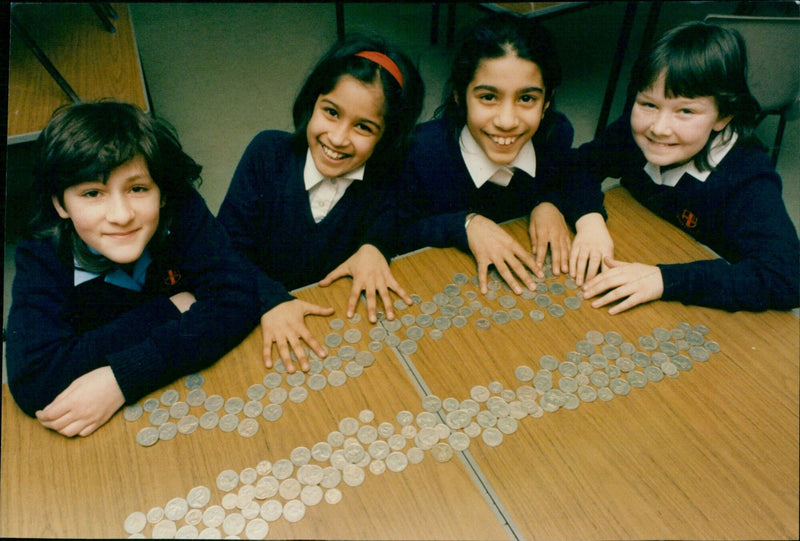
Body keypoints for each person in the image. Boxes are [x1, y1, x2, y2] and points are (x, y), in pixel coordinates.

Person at [5, 101, 260, 437]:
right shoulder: (42, 252)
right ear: (60, 204)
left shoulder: (181, 209)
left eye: (137, 189)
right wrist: (170, 309)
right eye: (93, 193)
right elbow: (34, 380)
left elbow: (238, 298)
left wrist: (123, 377)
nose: (121, 215)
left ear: (163, 193)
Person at [217, 34, 424, 373]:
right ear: (312, 102)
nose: (339, 138)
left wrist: (375, 247)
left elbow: (394, 220)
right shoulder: (266, 153)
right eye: (331, 112)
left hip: (333, 338)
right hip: (256, 317)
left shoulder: (386, 178)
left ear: (388, 136)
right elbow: (224, 250)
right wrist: (271, 299)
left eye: (364, 127)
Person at [559, 21, 799, 313]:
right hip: (644, 243)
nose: (659, 128)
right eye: (648, 104)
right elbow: (576, 165)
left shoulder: (748, 179)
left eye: (685, 111)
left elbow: (784, 278)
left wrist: (665, 279)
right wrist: (589, 219)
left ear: (723, 116)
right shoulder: (636, 133)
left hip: (703, 307)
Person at [395, 14, 575, 296]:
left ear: (547, 101)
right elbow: (391, 233)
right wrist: (465, 224)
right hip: (436, 286)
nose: (506, 120)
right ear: (458, 95)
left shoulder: (555, 135)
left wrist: (548, 202)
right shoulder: (419, 153)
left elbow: (570, 176)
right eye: (488, 97)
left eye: (527, 98)